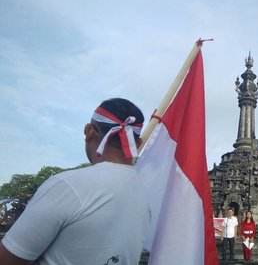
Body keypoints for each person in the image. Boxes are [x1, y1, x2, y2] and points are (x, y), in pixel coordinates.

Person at [0, 98, 150, 265]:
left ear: (89, 131)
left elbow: (8, 260)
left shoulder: (67, 185)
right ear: (137, 143)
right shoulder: (144, 199)